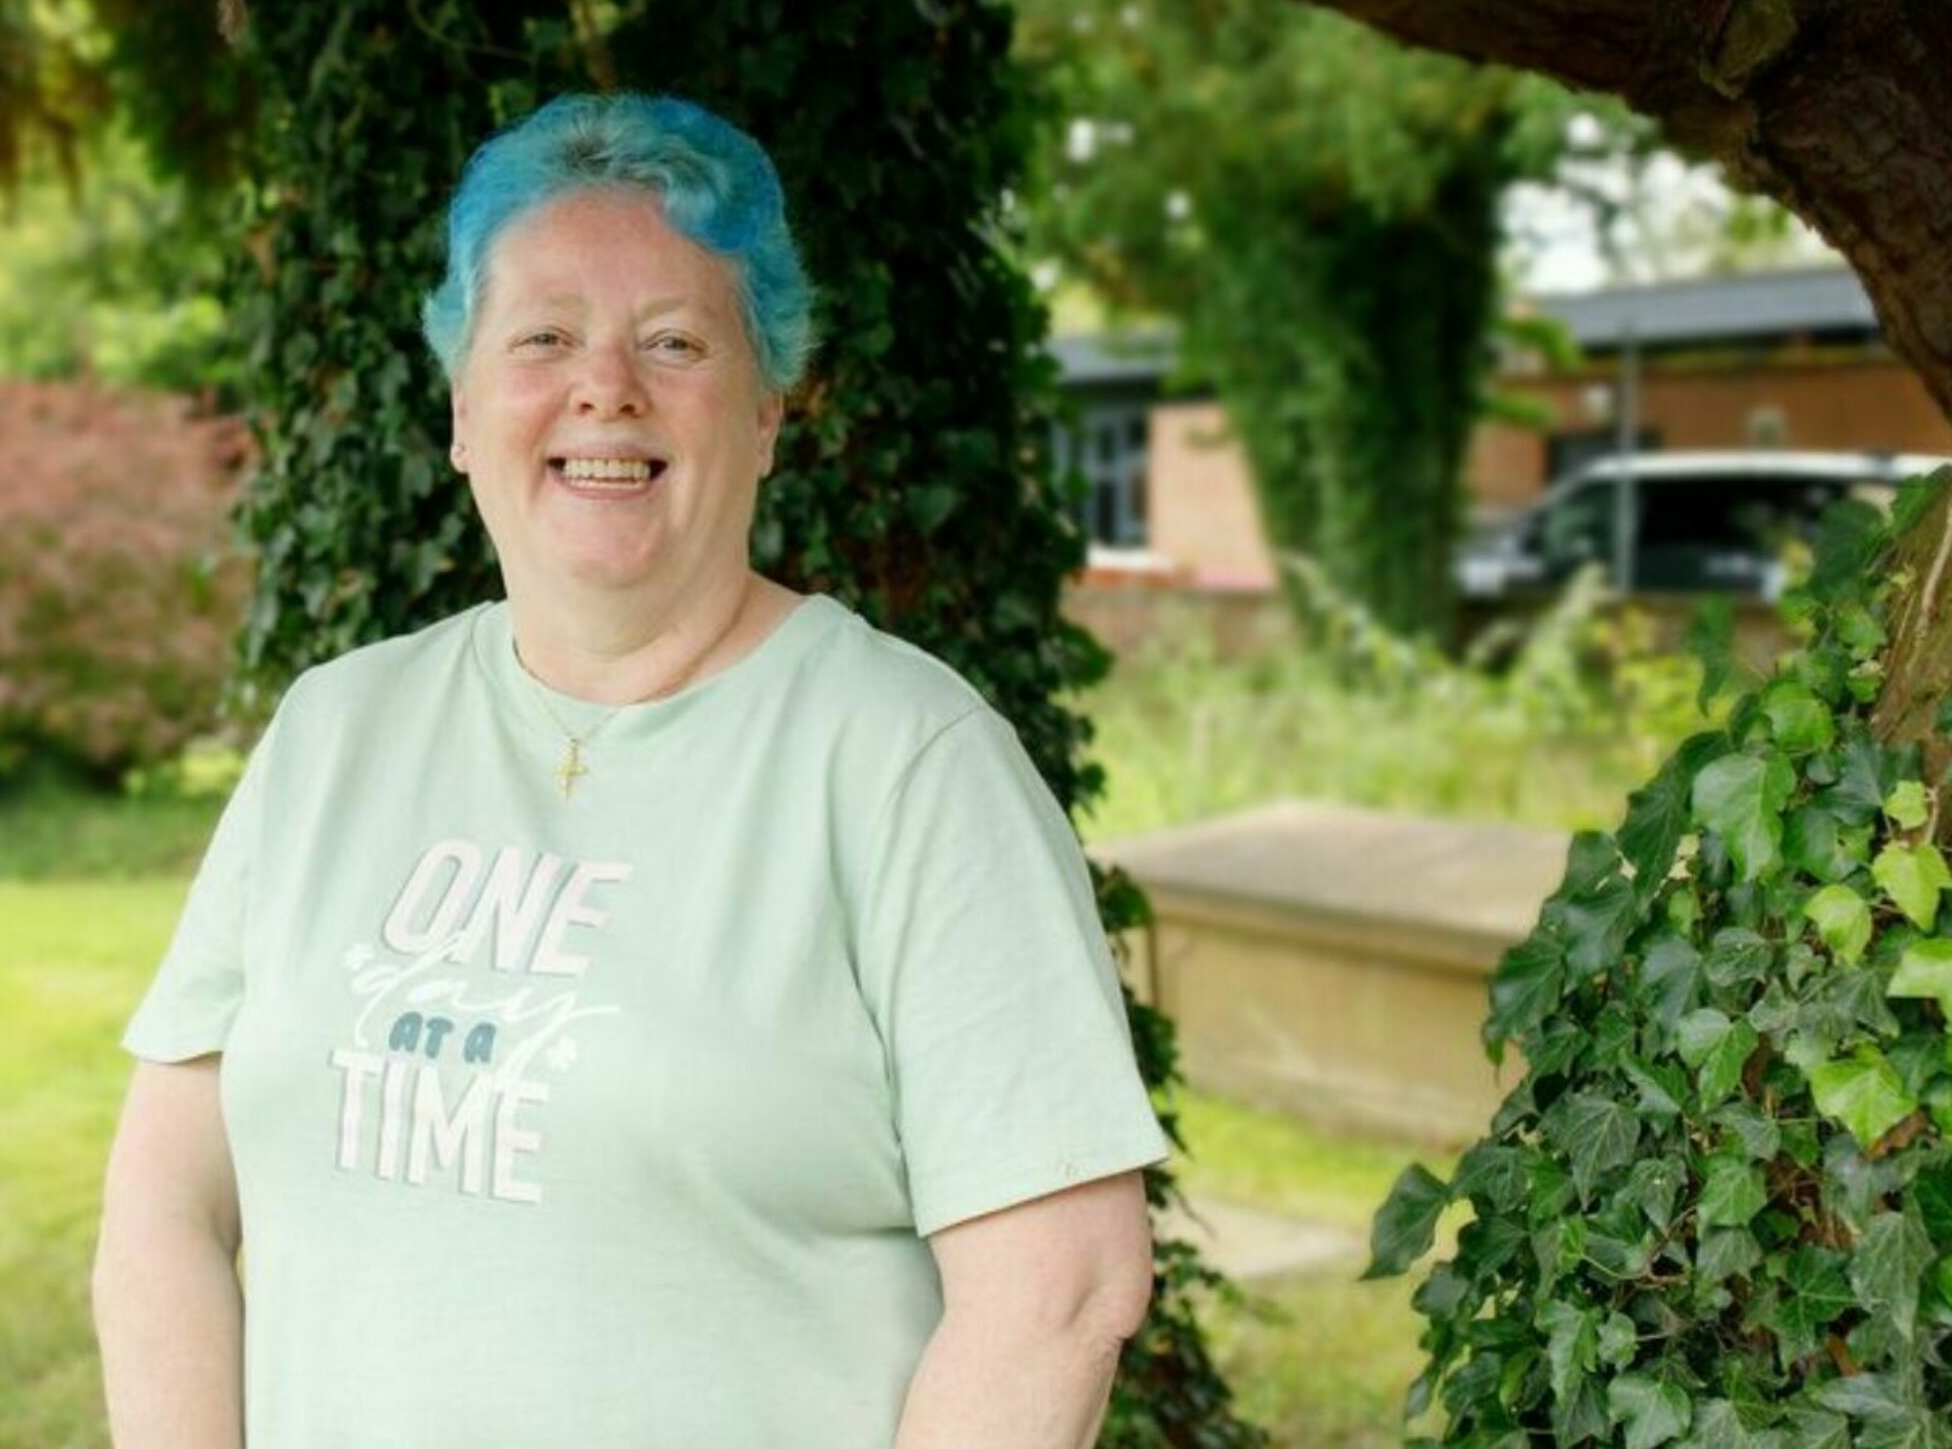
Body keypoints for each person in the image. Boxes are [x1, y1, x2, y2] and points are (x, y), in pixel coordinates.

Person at [91, 92, 1169, 1449]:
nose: (606, 386)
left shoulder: (908, 766)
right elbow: (164, 1208)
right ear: (463, 408)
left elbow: (1059, 1293)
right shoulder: (334, 734)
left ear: (768, 412)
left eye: (673, 340)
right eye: (544, 336)